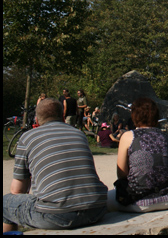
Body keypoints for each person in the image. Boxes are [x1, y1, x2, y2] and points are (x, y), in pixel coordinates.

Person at [3, 98, 107, 233]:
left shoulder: (27, 138)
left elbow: (17, 191)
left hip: (57, 215)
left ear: (37, 119)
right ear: (62, 116)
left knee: (6, 204)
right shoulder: (79, 134)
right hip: (97, 209)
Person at [106, 97, 168, 213]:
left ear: (134, 116)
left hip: (138, 200)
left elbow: (122, 174)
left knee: (102, 202)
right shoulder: (165, 137)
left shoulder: (128, 136)